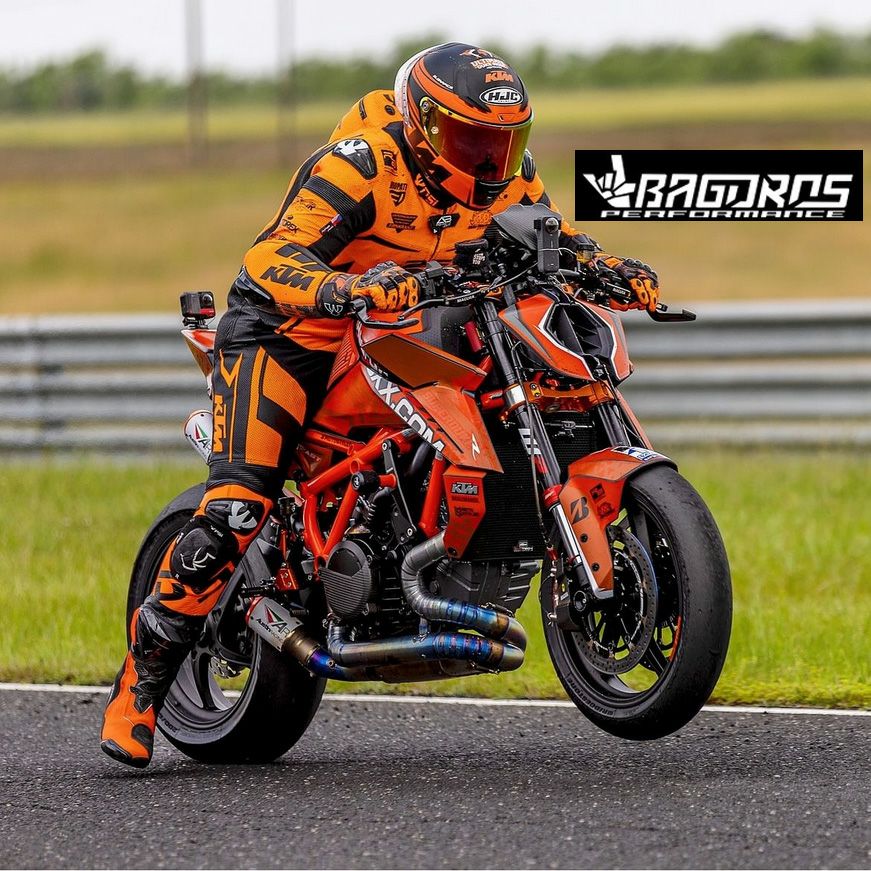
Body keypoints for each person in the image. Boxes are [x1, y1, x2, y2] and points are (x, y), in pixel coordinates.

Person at [100, 42, 660, 767]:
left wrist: (605, 267)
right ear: (423, 125)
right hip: (290, 332)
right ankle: (138, 691)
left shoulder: (510, 178)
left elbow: (548, 242)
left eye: (504, 141)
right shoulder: (360, 165)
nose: (490, 160)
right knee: (238, 507)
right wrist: (343, 288)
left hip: (406, 326)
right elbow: (268, 259)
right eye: (471, 141)